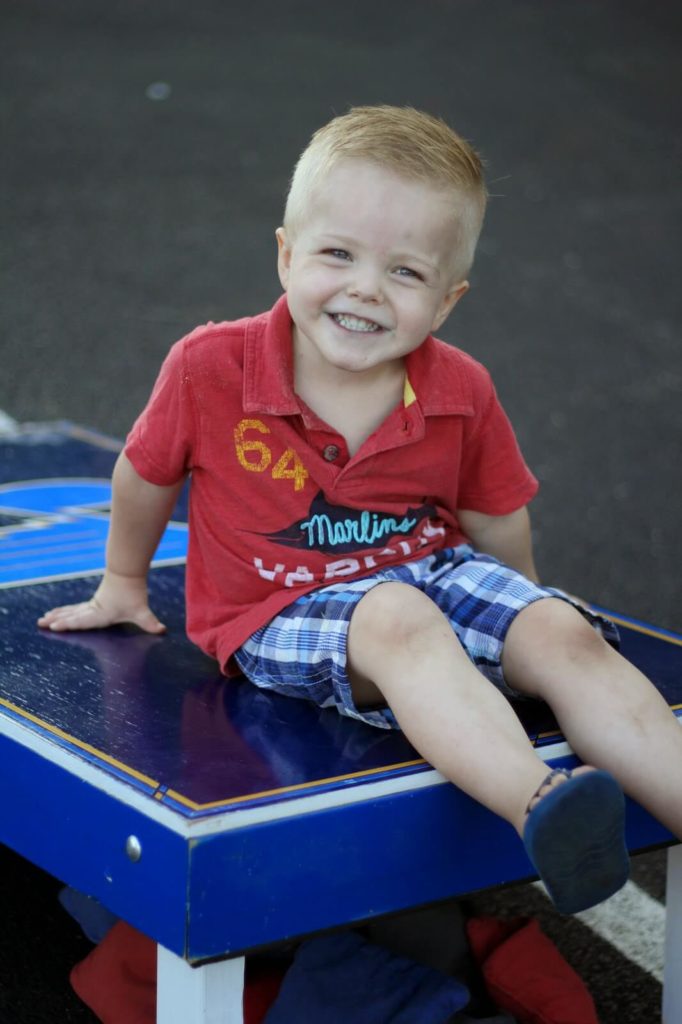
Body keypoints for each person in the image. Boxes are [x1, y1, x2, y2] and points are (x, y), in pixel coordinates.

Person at [38, 105, 682, 914]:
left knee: (559, 630)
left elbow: (494, 517)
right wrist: (122, 584)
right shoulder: (209, 367)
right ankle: (541, 807)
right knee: (396, 618)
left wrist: (522, 621)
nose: (365, 289)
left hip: (430, 566)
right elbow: (143, 474)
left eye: (405, 273)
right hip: (275, 604)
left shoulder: (461, 389)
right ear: (286, 255)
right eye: (337, 254)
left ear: (446, 301)